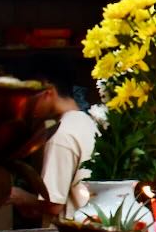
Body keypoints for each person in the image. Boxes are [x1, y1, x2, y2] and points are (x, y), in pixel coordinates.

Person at [8, 75, 99, 224]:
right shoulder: (86, 122)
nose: (25, 105)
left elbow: (54, 205)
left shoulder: (61, 134)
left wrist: (18, 196)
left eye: (28, 97)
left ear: (48, 91)